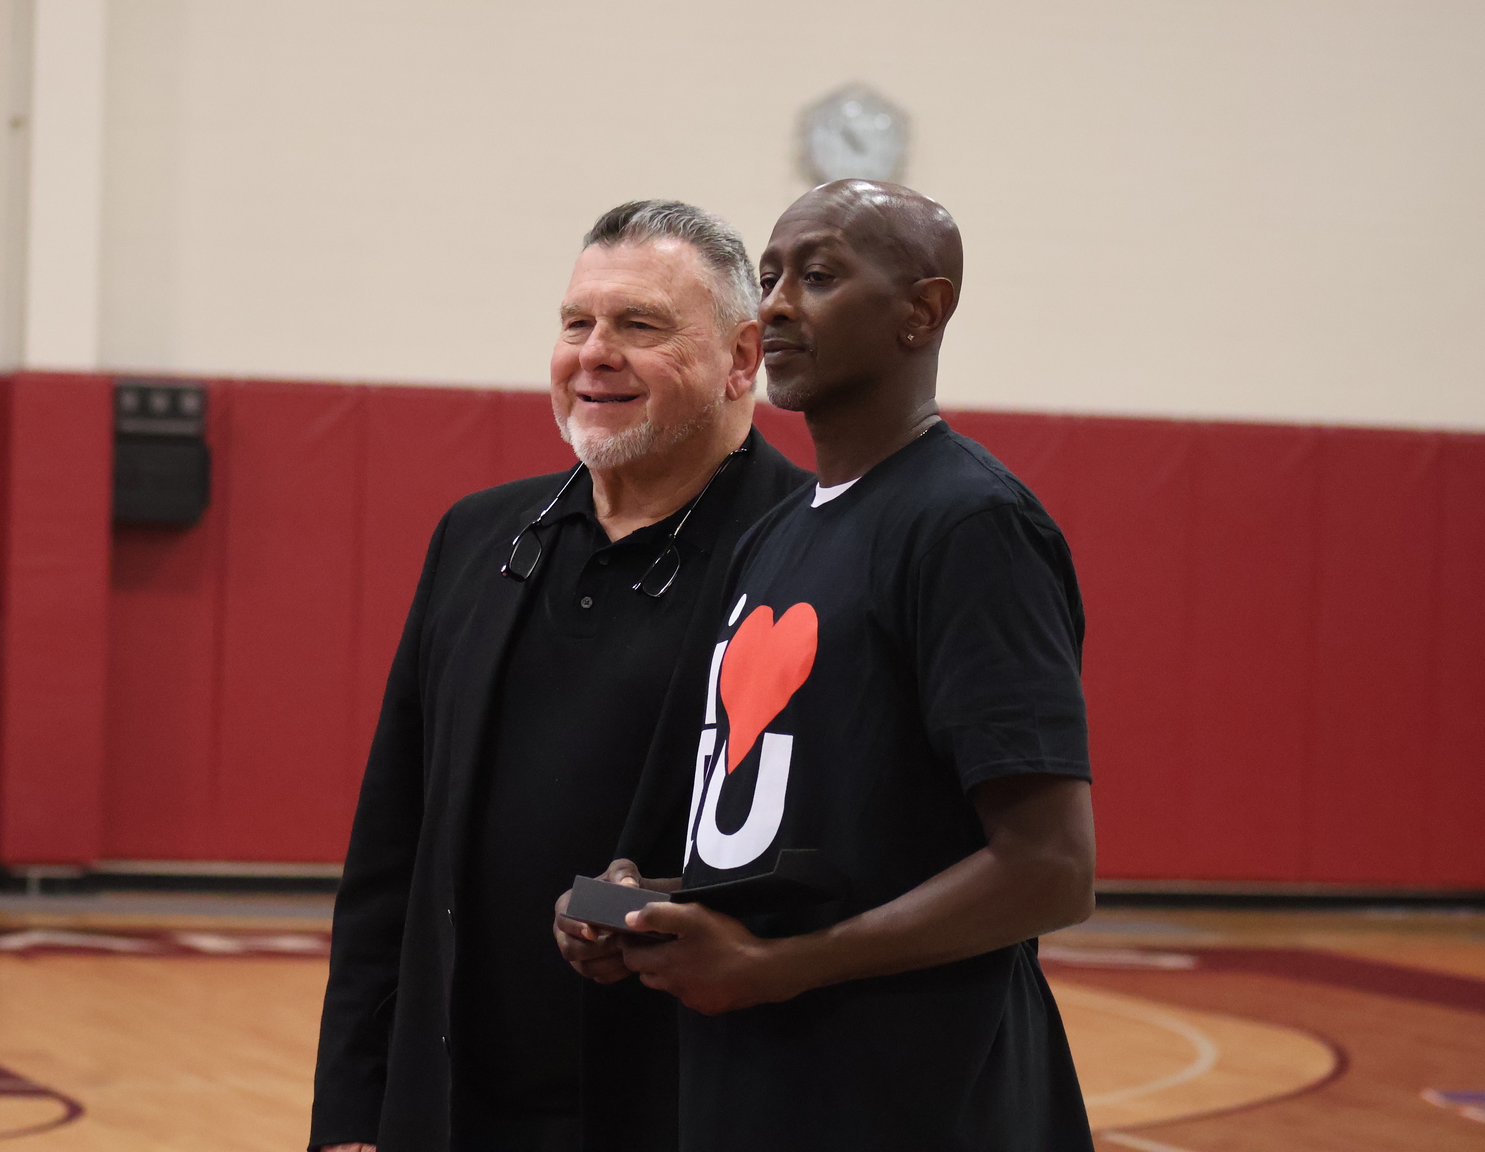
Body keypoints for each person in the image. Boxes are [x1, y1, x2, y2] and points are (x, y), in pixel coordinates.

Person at [558, 181, 1097, 1151]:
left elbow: (1052, 869)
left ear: (922, 312)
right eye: (768, 277)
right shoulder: (775, 538)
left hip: (916, 1097)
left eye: (818, 276)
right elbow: (807, 837)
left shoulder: (972, 524)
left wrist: (784, 965)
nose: (774, 305)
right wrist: (640, 903)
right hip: (757, 1084)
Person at [309, 200, 810, 1152]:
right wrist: (353, 1108)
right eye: (577, 322)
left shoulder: (813, 554)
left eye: (640, 326)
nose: (594, 353)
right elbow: (389, 858)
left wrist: (628, 910)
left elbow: (825, 860)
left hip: (682, 1103)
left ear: (743, 358)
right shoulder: (476, 537)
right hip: (453, 1105)